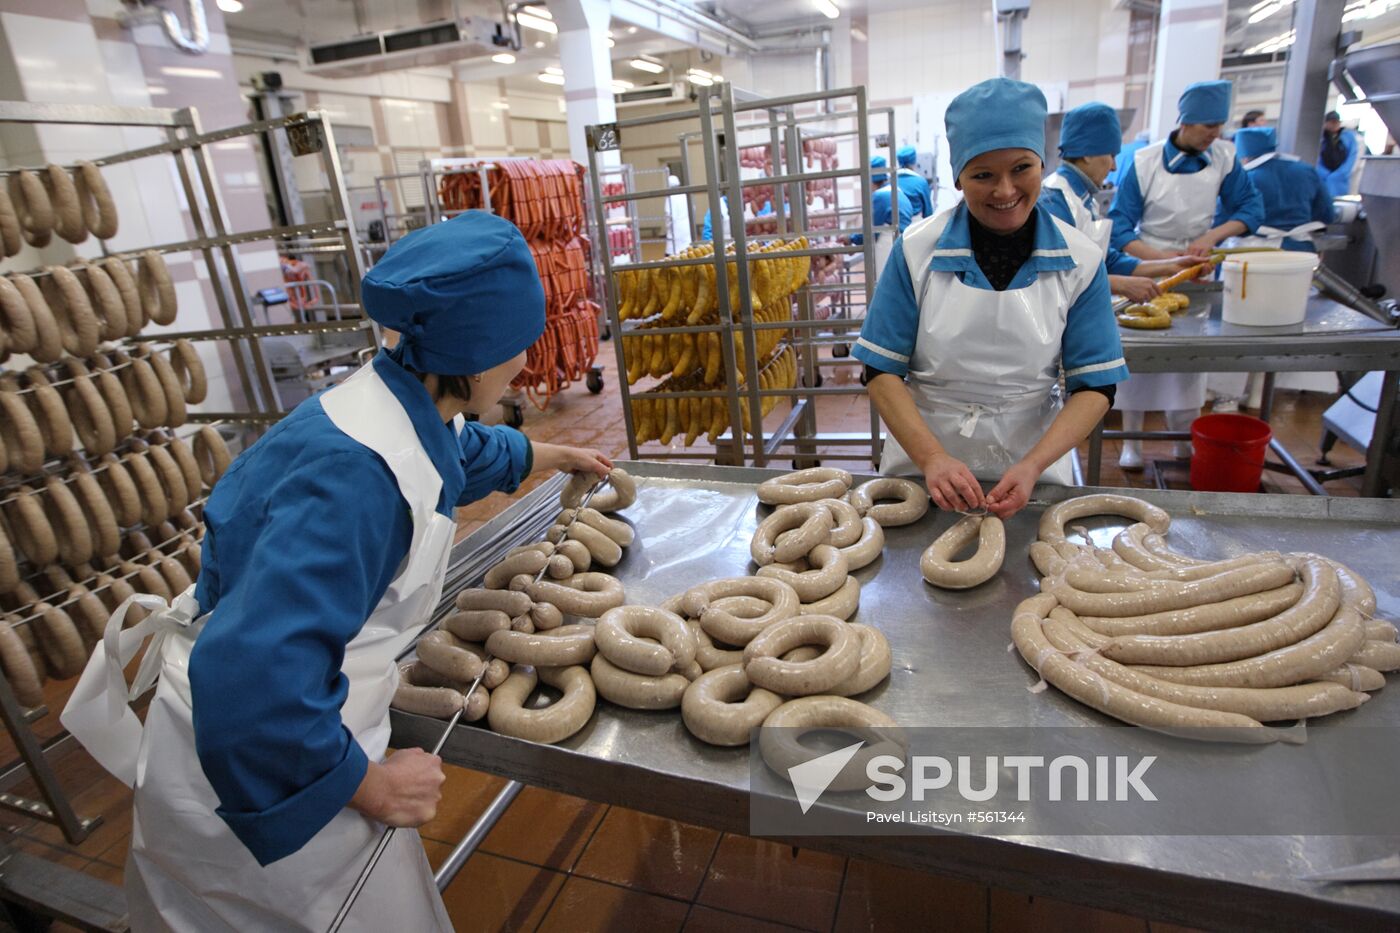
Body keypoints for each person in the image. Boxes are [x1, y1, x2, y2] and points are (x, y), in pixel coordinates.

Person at [62, 211, 612, 930]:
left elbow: (461, 451)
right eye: (516, 349)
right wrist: (373, 787)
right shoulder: (357, 482)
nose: (525, 365)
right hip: (271, 777)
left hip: (279, 730)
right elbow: (252, 678)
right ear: (473, 357)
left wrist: (558, 458)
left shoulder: (393, 393)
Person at [852, 78, 1127, 519]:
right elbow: (880, 369)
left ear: (1042, 163)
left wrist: (1034, 464)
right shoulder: (916, 250)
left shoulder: (1081, 260)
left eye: (1021, 168)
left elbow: (1095, 385)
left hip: (1032, 462)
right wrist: (931, 459)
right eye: (983, 175)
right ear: (958, 178)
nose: (1004, 191)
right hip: (924, 460)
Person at [1107, 79, 1264, 470]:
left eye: (1219, 125)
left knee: (1190, 358)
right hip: (1151, 263)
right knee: (1139, 361)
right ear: (1185, 121)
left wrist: (1210, 238)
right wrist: (1162, 260)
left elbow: (1250, 210)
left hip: (1199, 265)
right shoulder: (1144, 162)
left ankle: (1183, 437)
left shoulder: (1225, 158)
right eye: (1207, 125)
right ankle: (1133, 443)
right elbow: (1121, 227)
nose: (1215, 133)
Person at [1040, 102, 1198, 304]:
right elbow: (1053, 275)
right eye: (1111, 156)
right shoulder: (1054, 199)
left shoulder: (1084, 199)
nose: (1114, 167)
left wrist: (1172, 265)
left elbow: (1107, 260)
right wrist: (1118, 284)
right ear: (1087, 153)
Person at [1230, 126, 1334, 252]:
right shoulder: (1306, 170)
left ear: (1244, 156)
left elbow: (1223, 219)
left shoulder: (1244, 178)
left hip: (1253, 251)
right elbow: (1327, 214)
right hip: (1299, 250)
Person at [852, 155, 913, 276]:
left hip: (889, 245)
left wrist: (851, 239)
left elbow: (869, 231)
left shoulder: (880, 196)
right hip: (904, 244)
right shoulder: (897, 191)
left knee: (886, 283)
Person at [1317, 110, 1361, 198]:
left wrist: (1340, 174)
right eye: (1331, 122)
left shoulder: (1349, 137)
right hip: (1323, 177)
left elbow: (1352, 158)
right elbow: (1316, 157)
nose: (1334, 125)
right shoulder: (1320, 137)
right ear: (1325, 123)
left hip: (1341, 180)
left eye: (1336, 122)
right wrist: (1323, 173)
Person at [895, 145, 934, 219]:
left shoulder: (890, 181)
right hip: (914, 225)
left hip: (894, 225)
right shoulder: (921, 182)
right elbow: (928, 214)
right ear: (914, 161)